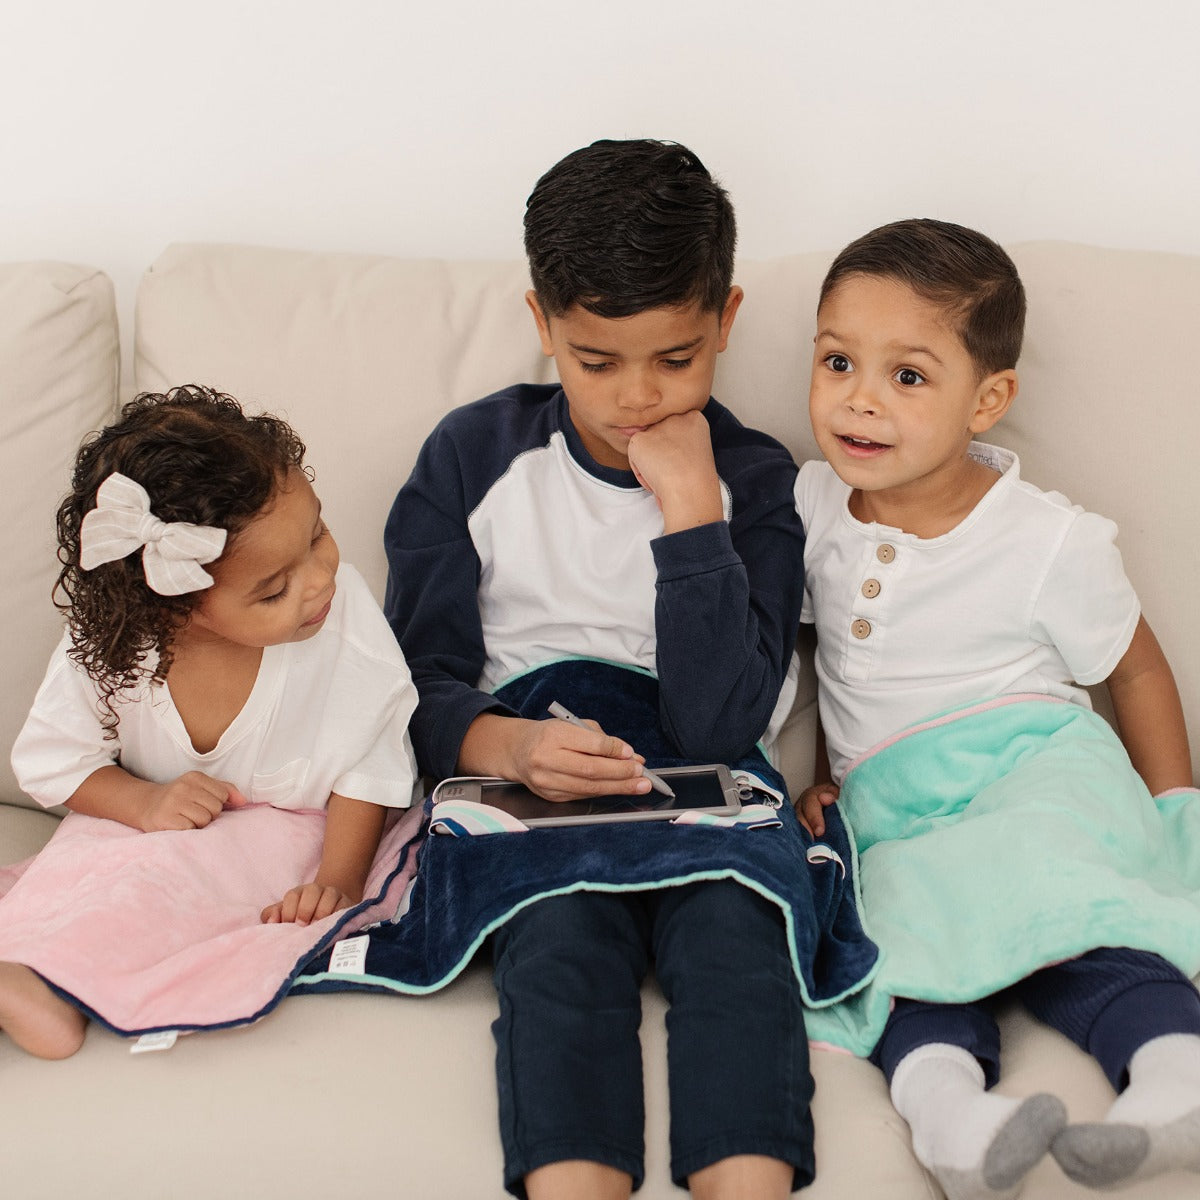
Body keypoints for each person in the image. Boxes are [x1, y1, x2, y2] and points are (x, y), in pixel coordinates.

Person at [384, 140, 814, 1199]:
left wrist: (690, 515)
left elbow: (718, 725)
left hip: (706, 784)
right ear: (541, 324)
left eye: (676, 360)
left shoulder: (753, 482)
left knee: (735, 953)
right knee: (561, 949)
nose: (635, 400)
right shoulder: (470, 457)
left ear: (726, 318)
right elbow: (415, 686)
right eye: (594, 360)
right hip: (533, 776)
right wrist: (512, 745)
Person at [794, 218, 1200, 1198]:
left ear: (989, 400)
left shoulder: (1046, 540)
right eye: (839, 361)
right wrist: (811, 781)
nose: (861, 399)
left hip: (1032, 764)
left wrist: (1176, 808)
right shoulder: (806, 509)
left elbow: (1135, 672)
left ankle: (1174, 1081)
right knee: (891, 943)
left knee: (1082, 913)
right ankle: (956, 1120)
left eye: (909, 377)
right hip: (898, 809)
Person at [1, 384, 417, 1059]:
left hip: (289, 833)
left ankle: (54, 993)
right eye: (273, 589)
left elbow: (370, 757)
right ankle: (26, 970)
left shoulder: (340, 622)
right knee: (99, 871)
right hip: (145, 826)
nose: (319, 582)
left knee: (163, 891)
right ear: (174, 609)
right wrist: (142, 801)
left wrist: (338, 880)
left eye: (317, 535)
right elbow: (55, 759)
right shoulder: (121, 648)